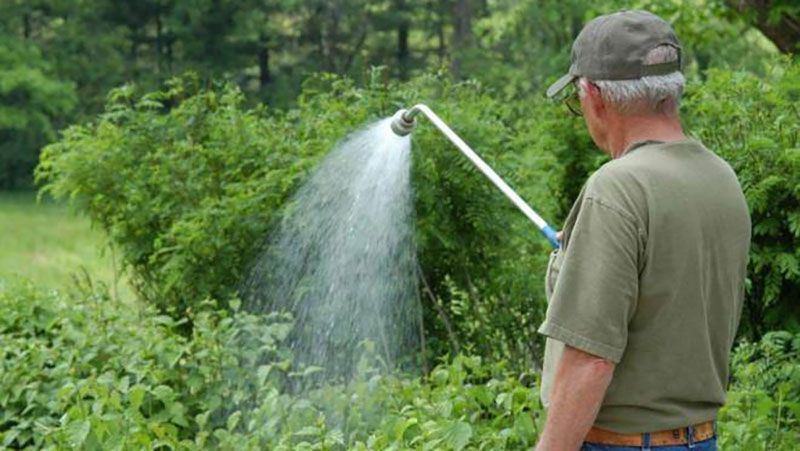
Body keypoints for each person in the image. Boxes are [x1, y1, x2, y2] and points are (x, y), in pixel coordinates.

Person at [534, 10, 752, 451]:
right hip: (699, 440)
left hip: (620, 444)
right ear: (671, 90)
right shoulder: (721, 177)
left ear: (593, 96)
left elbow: (591, 359)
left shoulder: (616, 188)